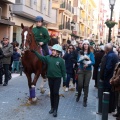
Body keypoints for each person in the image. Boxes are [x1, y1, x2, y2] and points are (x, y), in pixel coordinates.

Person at [31, 44, 66, 117]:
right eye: (52, 50)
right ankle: (52, 108)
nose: (52, 51)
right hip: (50, 78)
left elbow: (63, 71)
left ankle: (56, 109)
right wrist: (35, 52)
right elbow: (41, 58)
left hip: (57, 79)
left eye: (54, 50)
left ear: (58, 52)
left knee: (56, 93)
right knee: (52, 93)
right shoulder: (48, 57)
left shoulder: (61, 60)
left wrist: (65, 81)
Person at [76, 40, 95, 107]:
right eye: (84, 44)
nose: (86, 45)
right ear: (83, 45)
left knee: (86, 85)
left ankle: (85, 100)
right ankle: (79, 94)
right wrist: (83, 58)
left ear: (88, 45)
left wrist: (88, 64)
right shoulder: (80, 52)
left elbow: (93, 62)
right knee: (80, 84)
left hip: (88, 71)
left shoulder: (91, 53)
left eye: (87, 44)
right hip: (81, 70)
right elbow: (78, 60)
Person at [103, 43, 118, 113]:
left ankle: (108, 109)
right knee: (112, 94)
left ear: (107, 49)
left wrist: (105, 76)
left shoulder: (109, 56)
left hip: (109, 77)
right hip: (113, 77)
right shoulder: (115, 55)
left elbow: (108, 67)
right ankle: (112, 108)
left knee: (108, 93)